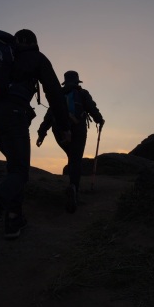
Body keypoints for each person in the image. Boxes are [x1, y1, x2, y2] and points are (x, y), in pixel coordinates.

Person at [0, 29, 71, 256]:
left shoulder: (3, 56)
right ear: (34, 42)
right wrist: (64, 127)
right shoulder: (36, 58)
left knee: (14, 166)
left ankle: (14, 220)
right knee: (20, 171)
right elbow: (54, 92)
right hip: (12, 115)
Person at [36, 70, 104, 213]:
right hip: (78, 127)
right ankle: (74, 187)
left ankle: (72, 185)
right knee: (75, 158)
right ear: (77, 81)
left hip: (59, 130)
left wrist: (41, 133)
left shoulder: (58, 95)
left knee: (71, 156)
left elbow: (49, 116)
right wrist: (99, 119)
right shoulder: (82, 93)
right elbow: (92, 108)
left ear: (65, 82)